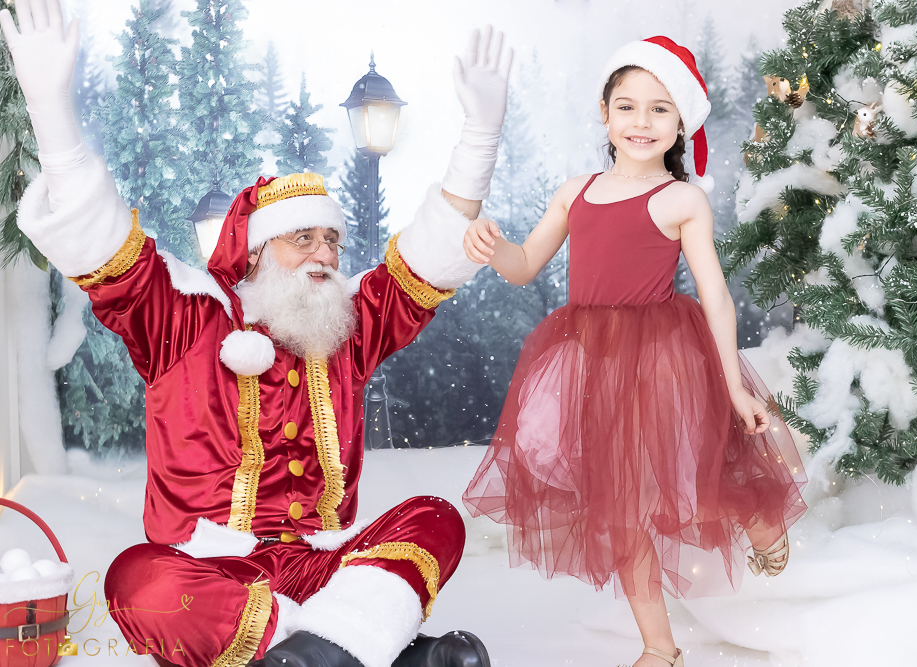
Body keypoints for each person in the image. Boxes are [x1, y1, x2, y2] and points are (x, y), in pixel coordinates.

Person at [1, 0, 513, 665]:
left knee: (436, 518)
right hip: (213, 581)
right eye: (304, 238)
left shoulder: (347, 327)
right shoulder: (181, 317)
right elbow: (100, 245)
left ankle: (318, 651)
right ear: (250, 255)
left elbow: (429, 259)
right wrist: (53, 118)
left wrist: (479, 139)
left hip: (325, 568)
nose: (326, 254)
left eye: (332, 238)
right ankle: (359, 646)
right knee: (138, 582)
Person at [461, 37, 808, 667]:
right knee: (617, 504)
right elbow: (524, 265)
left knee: (697, 478)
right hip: (588, 362)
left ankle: (762, 522)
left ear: (680, 123)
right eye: (628, 107)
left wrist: (734, 387)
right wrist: (492, 245)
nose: (642, 123)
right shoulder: (576, 191)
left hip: (663, 358)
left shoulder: (680, 199)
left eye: (659, 109)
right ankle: (659, 646)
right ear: (604, 113)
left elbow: (718, 298)